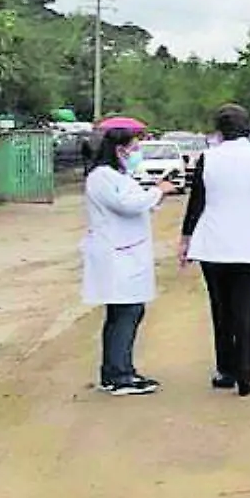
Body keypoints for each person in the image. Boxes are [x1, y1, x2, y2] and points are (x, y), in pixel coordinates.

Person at [180, 104, 250, 398]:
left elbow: (196, 202)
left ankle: (225, 370)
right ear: (248, 128)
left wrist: (186, 238)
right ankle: (246, 375)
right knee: (245, 311)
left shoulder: (208, 159)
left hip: (213, 243)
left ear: (219, 130)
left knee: (221, 308)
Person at [81, 125, 165, 395]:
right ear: (120, 149)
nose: (136, 154)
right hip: (116, 255)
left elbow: (133, 200)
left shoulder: (116, 175)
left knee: (127, 312)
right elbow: (127, 205)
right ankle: (118, 375)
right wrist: (158, 191)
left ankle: (120, 369)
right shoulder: (102, 176)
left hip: (125, 252)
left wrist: (151, 194)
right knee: (125, 313)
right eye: (134, 149)